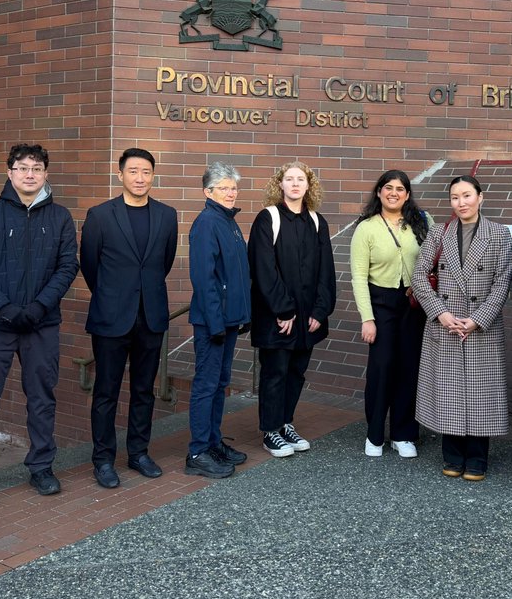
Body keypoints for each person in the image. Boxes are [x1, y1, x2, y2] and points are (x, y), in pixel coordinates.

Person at [0, 144, 79, 511]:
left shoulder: (60, 217)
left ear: (45, 174)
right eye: (23, 167)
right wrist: (5, 308)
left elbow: (67, 266)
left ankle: (41, 467)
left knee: (41, 398)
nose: (29, 174)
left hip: (42, 323)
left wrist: (40, 306)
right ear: (10, 172)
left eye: (36, 168)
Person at [81, 148, 178, 488]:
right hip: (111, 317)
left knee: (143, 390)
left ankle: (138, 453)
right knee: (106, 391)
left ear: (153, 176)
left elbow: (164, 263)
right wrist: (113, 295)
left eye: (146, 172)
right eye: (133, 171)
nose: (140, 178)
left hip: (150, 316)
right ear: (120, 174)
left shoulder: (167, 215)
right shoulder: (100, 215)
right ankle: (103, 460)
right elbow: (90, 265)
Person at [411, 175, 512, 481]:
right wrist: (440, 313)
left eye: (467, 195)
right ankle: (453, 456)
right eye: (455, 197)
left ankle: (478, 458)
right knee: (449, 391)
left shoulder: (499, 233)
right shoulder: (439, 232)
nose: (461, 202)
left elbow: (503, 281)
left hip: (481, 325)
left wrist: (479, 319)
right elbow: (419, 276)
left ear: (480, 197)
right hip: (446, 324)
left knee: (481, 393)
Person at [249, 162, 337, 457]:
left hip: (308, 318)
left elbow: (326, 270)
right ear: (280, 184)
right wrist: (283, 310)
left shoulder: (317, 221)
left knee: (296, 372)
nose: (295, 183)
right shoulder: (268, 218)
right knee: (275, 373)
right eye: (289, 179)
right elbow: (263, 268)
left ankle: (286, 423)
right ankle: (270, 431)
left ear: (309, 185)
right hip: (278, 317)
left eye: (301, 179)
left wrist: (320, 311)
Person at [350, 170, 431, 458]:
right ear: (379, 192)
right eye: (388, 188)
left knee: (409, 368)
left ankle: (403, 434)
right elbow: (359, 277)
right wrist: (367, 318)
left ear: (407, 195)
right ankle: (374, 435)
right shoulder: (366, 228)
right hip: (380, 304)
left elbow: (435, 259)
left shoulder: (422, 222)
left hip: (413, 304)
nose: (393, 193)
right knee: (382, 368)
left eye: (399, 189)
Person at [185, 163, 252, 479]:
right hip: (213, 323)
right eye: (223, 188)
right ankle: (198, 452)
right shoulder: (207, 223)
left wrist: (243, 315)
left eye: (233, 188)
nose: (230, 193)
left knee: (219, 384)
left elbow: (238, 275)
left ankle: (213, 443)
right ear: (207, 192)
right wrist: (215, 323)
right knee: (206, 385)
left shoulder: (228, 222)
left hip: (228, 321)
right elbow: (204, 279)